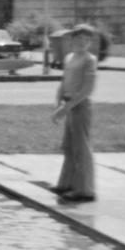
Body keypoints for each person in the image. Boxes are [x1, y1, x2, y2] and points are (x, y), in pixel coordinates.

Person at [51, 24, 99, 203]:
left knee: (82, 147)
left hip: (80, 106)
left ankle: (85, 190)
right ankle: (67, 183)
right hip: (68, 105)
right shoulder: (69, 57)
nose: (82, 42)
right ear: (72, 40)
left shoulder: (90, 59)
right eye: (79, 39)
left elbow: (88, 88)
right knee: (69, 147)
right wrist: (58, 101)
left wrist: (67, 106)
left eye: (87, 39)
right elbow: (64, 81)